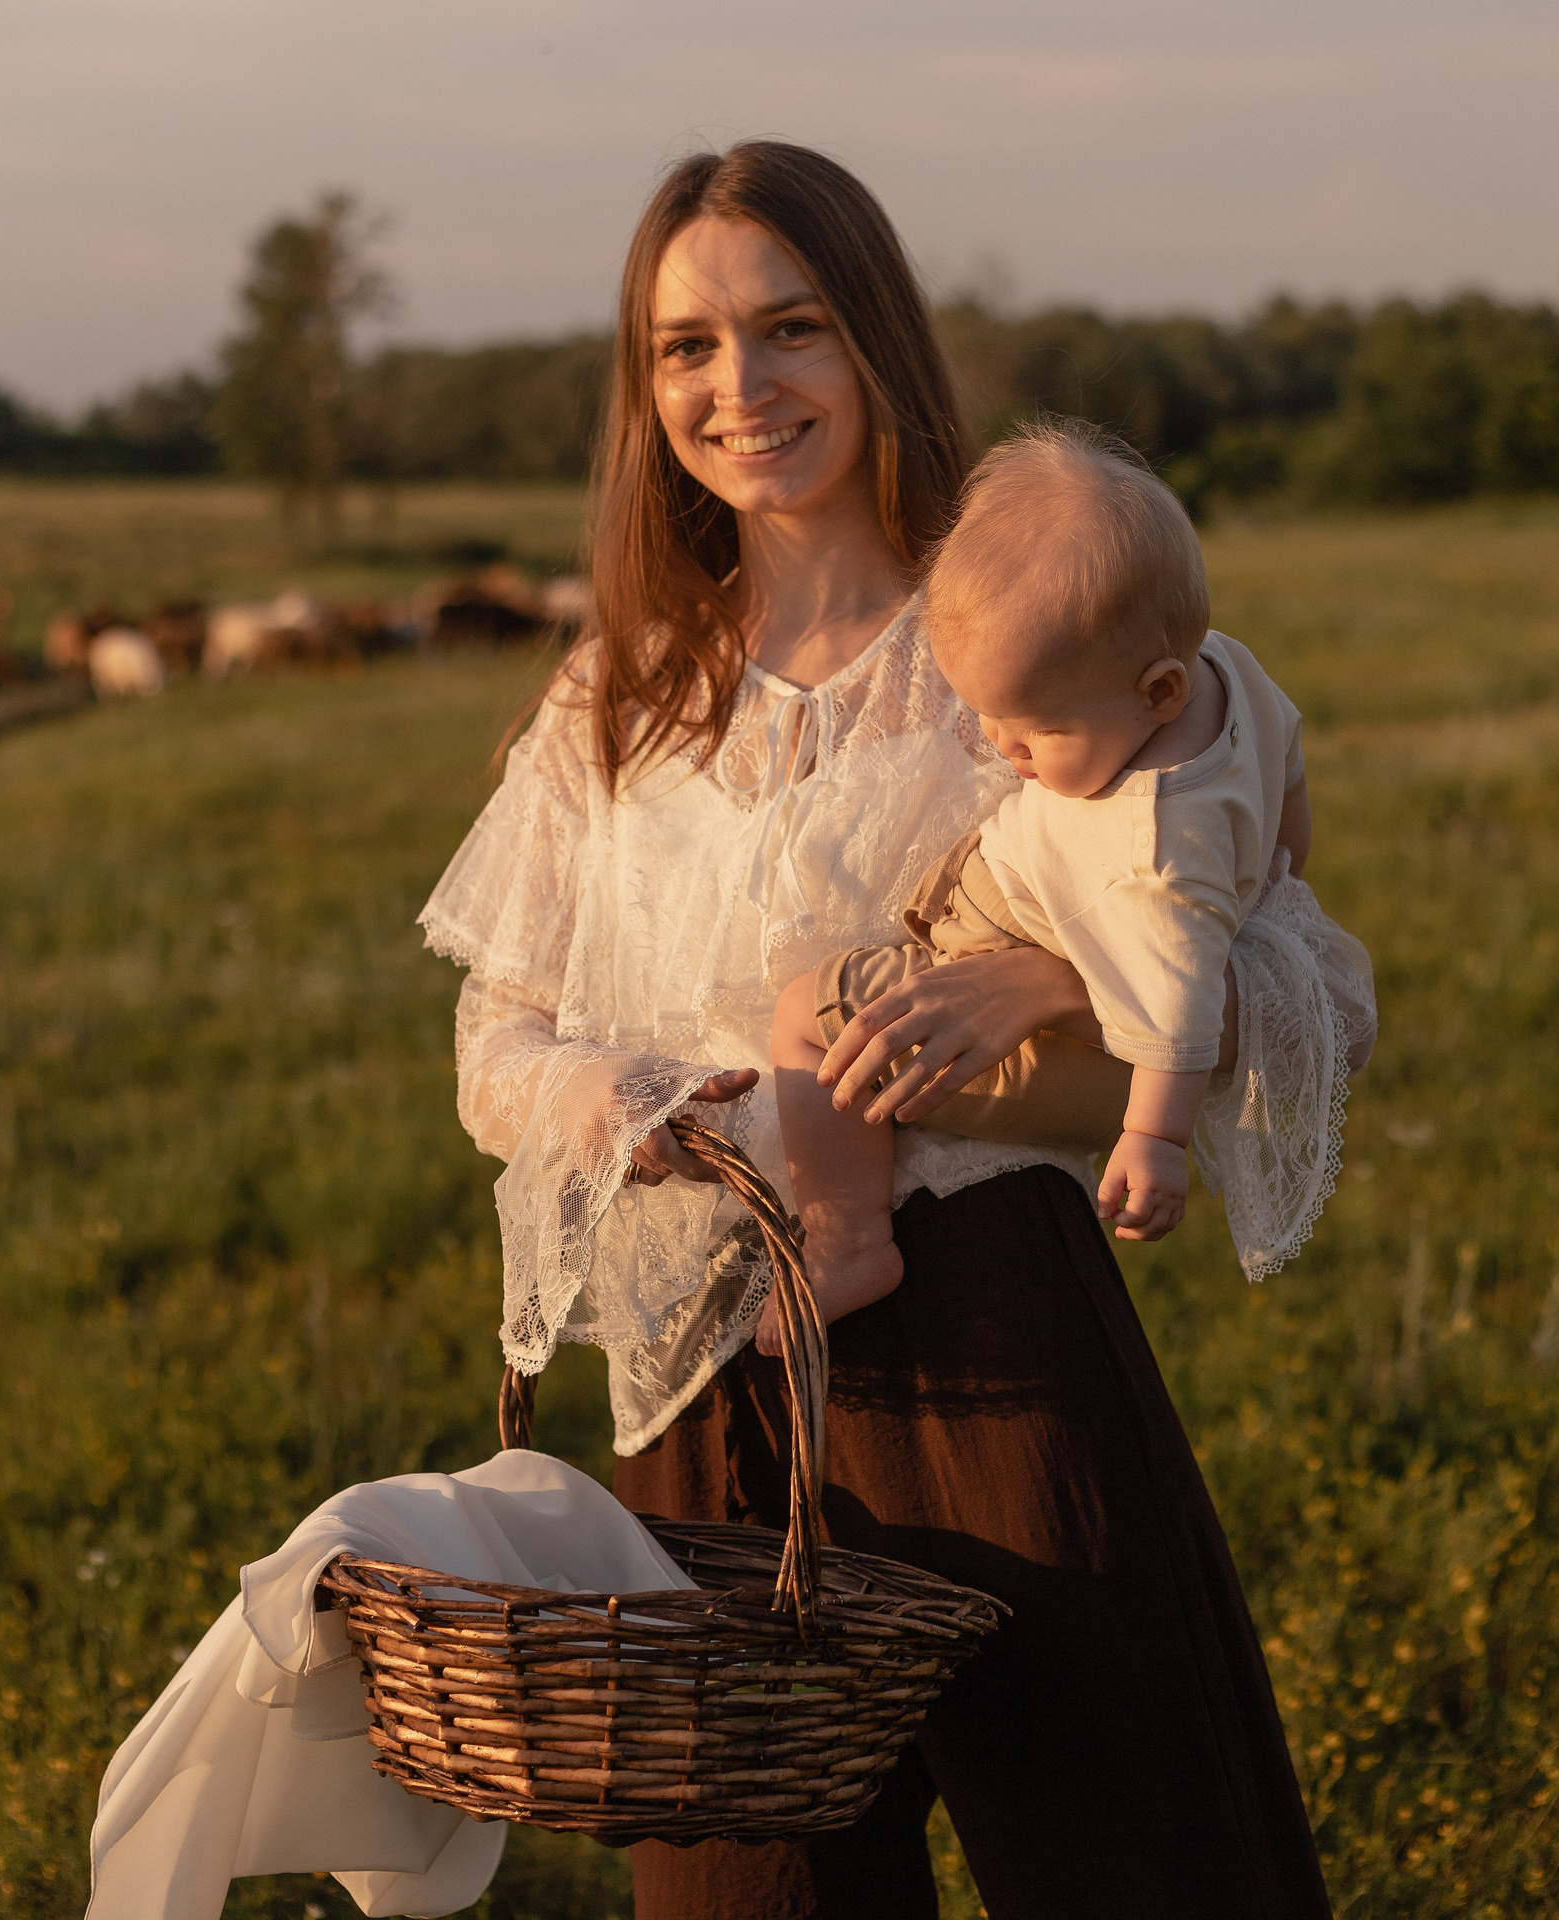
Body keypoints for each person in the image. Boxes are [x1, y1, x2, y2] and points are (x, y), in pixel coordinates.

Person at [418, 140, 1336, 1918]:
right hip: (704, 1368)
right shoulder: (620, 691)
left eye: (792, 328)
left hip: (993, 1343)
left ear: (875, 344)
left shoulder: (1020, 630)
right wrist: (656, 1097)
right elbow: (492, 1049)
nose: (738, 389)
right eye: (686, 347)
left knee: (1146, 1866)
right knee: (752, 1902)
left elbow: (1276, 971)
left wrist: (1052, 981)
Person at [768, 420, 1373, 1353]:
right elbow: (1286, 764)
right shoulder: (1230, 668)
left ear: (1159, 691)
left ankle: (848, 1236)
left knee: (808, 1016)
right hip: (1049, 952)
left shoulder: (1150, 851)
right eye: (988, 718)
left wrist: (1154, 1144)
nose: (1005, 749)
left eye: (1035, 731)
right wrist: (1275, 870)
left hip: (1043, 1014)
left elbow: (1178, 1014)